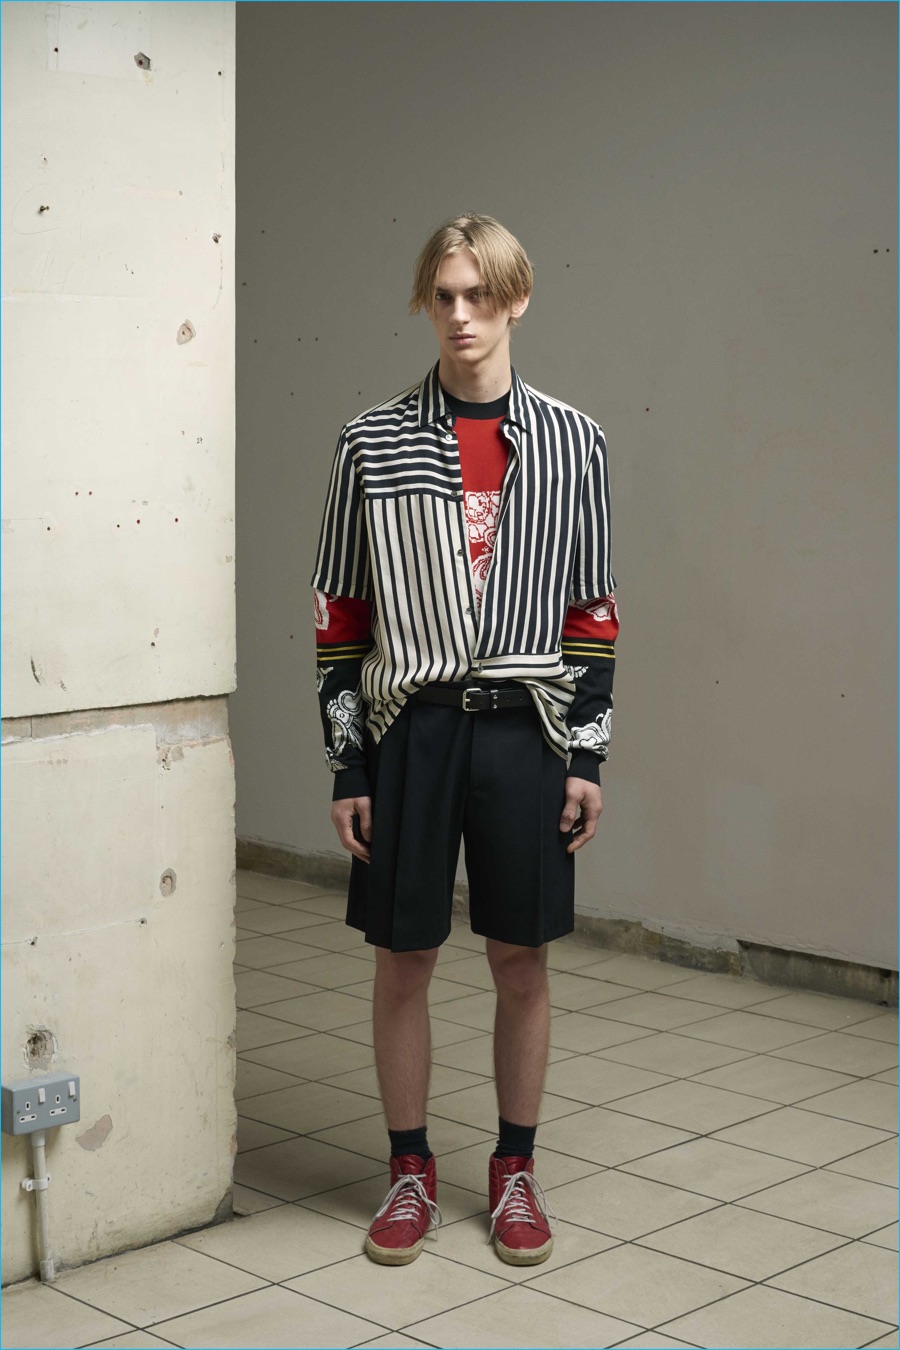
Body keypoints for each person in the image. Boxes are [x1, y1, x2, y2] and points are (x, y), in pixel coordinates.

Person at [311, 214, 618, 1267]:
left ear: (515, 299)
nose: (459, 314)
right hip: (412, 728)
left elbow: (593, 613)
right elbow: (340, 614)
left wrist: (587, 755)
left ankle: (515, 1170)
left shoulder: (574, 443)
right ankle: (408, 1172)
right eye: (443, 295)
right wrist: (348, 761)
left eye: (479, 295)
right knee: (404, 958)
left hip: (527, 731)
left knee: (520, 959)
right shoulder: (371, 441)